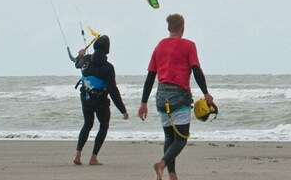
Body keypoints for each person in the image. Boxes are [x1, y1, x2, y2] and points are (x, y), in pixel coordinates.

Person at [138, 14, 214, 180]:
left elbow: (150, 76)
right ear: (182, 28)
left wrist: (143, 102)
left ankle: (172, 175)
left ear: (168, 28)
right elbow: (196, 70)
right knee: (181, 138)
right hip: (179, 96)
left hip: (161, 95)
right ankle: (163, 164)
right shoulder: (188, 45)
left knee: (169, 137)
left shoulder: (159, 46)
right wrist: (206, 93)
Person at [73, 35, 129, 165]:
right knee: (103, 126)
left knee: (87, 124)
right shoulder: (108, 67)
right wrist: (123, 110)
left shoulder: (86, 60)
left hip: (86, 98)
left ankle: (77, 154)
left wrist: (80, 55)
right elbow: (112, 90)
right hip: (100, 101)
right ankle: (93, 158)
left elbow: (77, 64)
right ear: (107, 49)